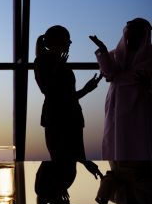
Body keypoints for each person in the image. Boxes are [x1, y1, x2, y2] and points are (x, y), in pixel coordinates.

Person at [34, 25, 103, 178]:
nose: (70, 43)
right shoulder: (42, 61)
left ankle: (57, 191)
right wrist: (57, 67)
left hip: (72, 118)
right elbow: (47, 91)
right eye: (67, 39)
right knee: (62, 165)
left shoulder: (59, 63)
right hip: (56, 119)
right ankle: (53, 192)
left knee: (69, 167)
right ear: (57, 41)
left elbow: (67, 97)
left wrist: (87, 89)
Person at [90, 18, 152, 160]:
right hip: (116, 105)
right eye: (131, 31)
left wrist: (119, 77)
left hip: (141, 105)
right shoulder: (117, 53)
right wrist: (103, 50)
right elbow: (109, 72)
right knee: (117, 140)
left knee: (140, 140)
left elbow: (133, 76)